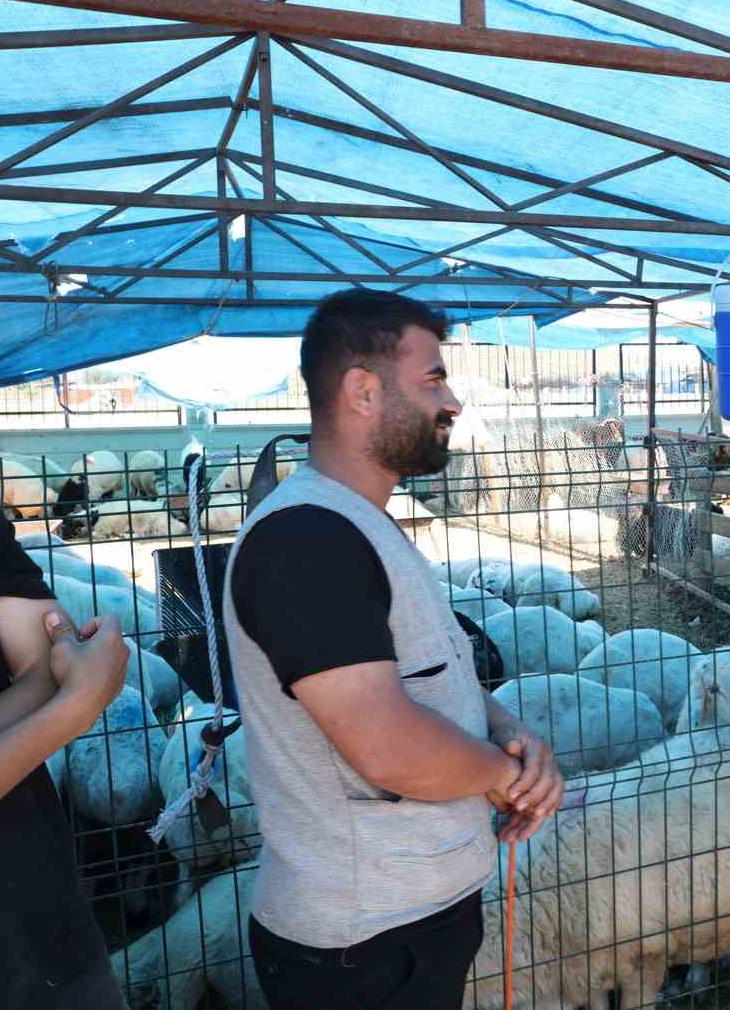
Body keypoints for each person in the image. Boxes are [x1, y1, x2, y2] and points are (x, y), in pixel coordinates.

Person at [226, 290, 565, 1010]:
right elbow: (386, 745)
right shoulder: (305, 542)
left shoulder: (361, 525)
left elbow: (429, 681)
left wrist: (509, 731)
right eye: (434, 380)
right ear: (363, 392)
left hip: (408, 921)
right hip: (363, 944)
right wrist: (507, 776)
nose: (453, 402)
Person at [0, 371, 132, 1008]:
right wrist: (66, 710)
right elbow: (60, 681)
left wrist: (55, 691)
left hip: (52, 948)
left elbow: (51, 659)